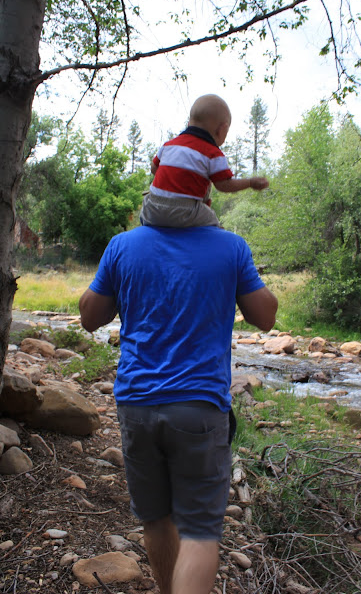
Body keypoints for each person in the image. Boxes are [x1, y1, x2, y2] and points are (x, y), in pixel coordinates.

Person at [79, 224, 277, 594]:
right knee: (199, 531)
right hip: (199, 408)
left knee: (156, 519)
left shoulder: (121, 246)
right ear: (205, 197)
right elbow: (266, 317)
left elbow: (89, 317)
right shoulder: (231, 247)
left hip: (137, 406)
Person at [140, 94, 269, 227]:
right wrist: (250, 183)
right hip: (186, 211)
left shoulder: (169, 145)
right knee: (213, 222)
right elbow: (224, 185)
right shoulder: (212, 153)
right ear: (222, 130)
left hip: (152, 207)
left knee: (147, 204)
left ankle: (147, 228)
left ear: (189, 123)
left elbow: (154, 169)